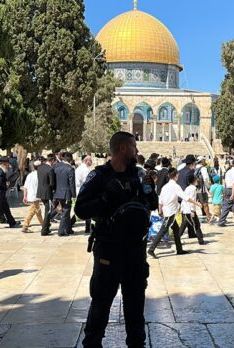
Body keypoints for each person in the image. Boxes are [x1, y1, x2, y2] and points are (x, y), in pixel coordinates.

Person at [74, 132, 158, 347]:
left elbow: (152, 205)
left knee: (135, 304)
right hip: (109, 249)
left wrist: (150, 191)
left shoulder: (138, 175)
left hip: (135, 250)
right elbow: (81, 210)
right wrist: (104, 198)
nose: (136, 151)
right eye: (133, 146)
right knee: (101, 302)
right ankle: (92, 343)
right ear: (122, 148)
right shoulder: (100, 176)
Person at [148, 168, 202, 259]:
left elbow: (160, 201)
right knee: (162, 231)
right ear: (176, 175)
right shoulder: (175, 187)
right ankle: (151, 249)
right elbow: (186, 198)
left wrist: (160, 211)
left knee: (176, 230)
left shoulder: (165, 187)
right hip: (170, 213)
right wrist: (197, 203)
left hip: (167, 211)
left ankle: (179, 249)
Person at [53, 152, 77, 236]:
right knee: (66, 213)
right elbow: (72, 183)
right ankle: (61, 231)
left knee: (66, 211)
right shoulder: (70, 169)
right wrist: (74, 194)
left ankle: (68, 229)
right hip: (66, 193)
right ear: (70, 159)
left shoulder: (56, 167)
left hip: (57, 192)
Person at [178, 173, 206, 245]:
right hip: (189, 210)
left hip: (185, 209)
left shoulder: (188, 188)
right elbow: (190, 200)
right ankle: (201, 240)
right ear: (193, 180)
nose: (197, 180)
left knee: (184, 225)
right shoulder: (193, 188)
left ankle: (177, 239)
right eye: (196, 179)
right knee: (196, 224)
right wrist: (192, 210)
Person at [22, 160, 44, 233]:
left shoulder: (30, 175)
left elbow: (25, 187)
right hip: (36, 195)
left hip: (31, 195)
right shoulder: (40, 175)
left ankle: (43, 225)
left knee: (37, 211)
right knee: (33, 211)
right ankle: (25, 226)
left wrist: (25, 196)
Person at [38, 154, 57, 236]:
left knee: (47, 210)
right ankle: (44, 230)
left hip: (40, 192)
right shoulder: (50, 169)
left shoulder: (40, 167)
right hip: (47, 193)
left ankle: (47, 227)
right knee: (48, 211)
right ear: (52, 160)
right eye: (54, 161)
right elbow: (52, 183)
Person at [75, 155, 93, 234]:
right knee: (88, 209)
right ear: (86, 161)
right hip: (83, 192)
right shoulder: (85, 170)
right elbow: (87, 182)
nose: (91, 161)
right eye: (90, 160)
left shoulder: (79, 168)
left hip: (78, 191)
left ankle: (70, 223)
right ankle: (87, 228)